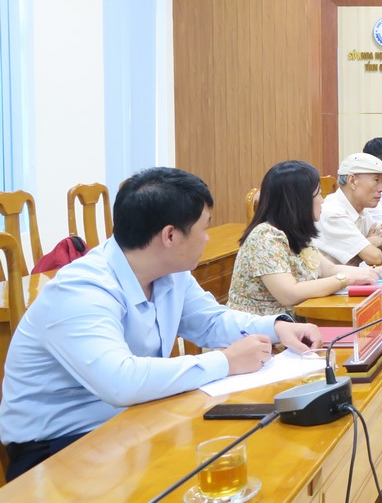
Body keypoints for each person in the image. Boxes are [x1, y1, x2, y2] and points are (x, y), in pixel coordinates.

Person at [0, 168, 323, 480]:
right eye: (204, 228)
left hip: (135, 421)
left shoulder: (170, 272)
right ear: (170, 235)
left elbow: (210, 320)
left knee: (257, 450)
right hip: (60, 448)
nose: (207, 238)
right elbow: (121, 382)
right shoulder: (81, 291)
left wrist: (276, 328)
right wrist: (225, 361)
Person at [228, 160, 382, 318]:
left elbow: (329, 269)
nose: (322, 200)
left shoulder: (296, 232)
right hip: (259, 333)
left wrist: (378, 272)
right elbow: (289, 294)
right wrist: (345, 279)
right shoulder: (265, 237)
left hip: (296, 324)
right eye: (318, 194)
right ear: (298, 201)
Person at [314, 153, 382, 265]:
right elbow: (375, 257)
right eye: (376, 180)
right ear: (352, 181)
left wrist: (371, 243)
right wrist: (376, 240)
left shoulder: (360, 209)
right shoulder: (333, 212)